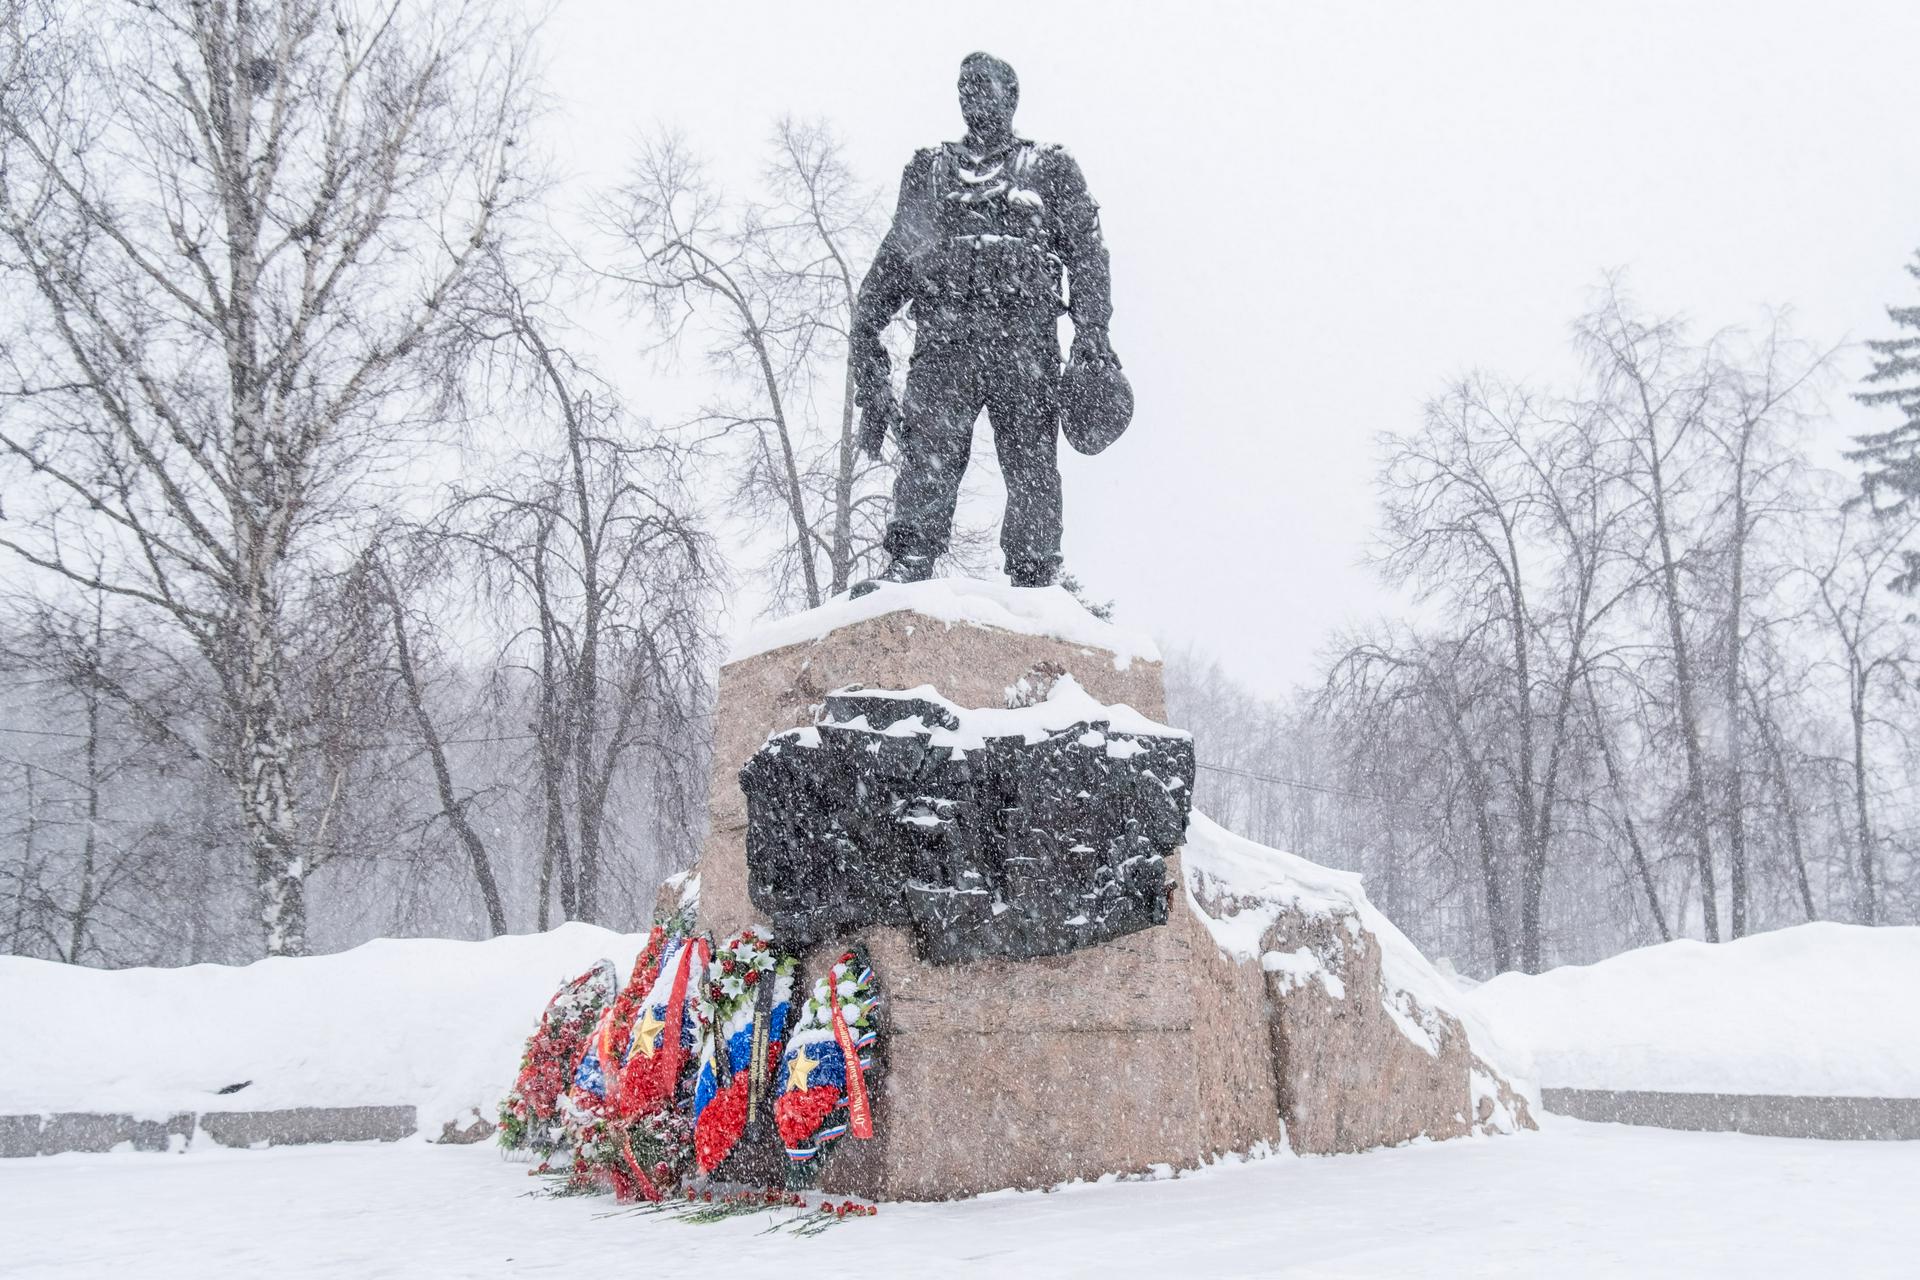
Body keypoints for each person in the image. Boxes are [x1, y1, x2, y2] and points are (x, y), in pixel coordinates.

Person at [849, 51, 1117, 591]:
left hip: (1024, 346)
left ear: (1011, 96)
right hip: (945, 343)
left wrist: (1093, 333)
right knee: (927, 454)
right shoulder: (928, 171)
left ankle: (1036, 572)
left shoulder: (1051, 168)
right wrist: (866, 326)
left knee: (1033, 466)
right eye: (963, 85)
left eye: (984, 85)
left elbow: (1088, 254)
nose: (972, 94)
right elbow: (899, 256)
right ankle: (909, 562)